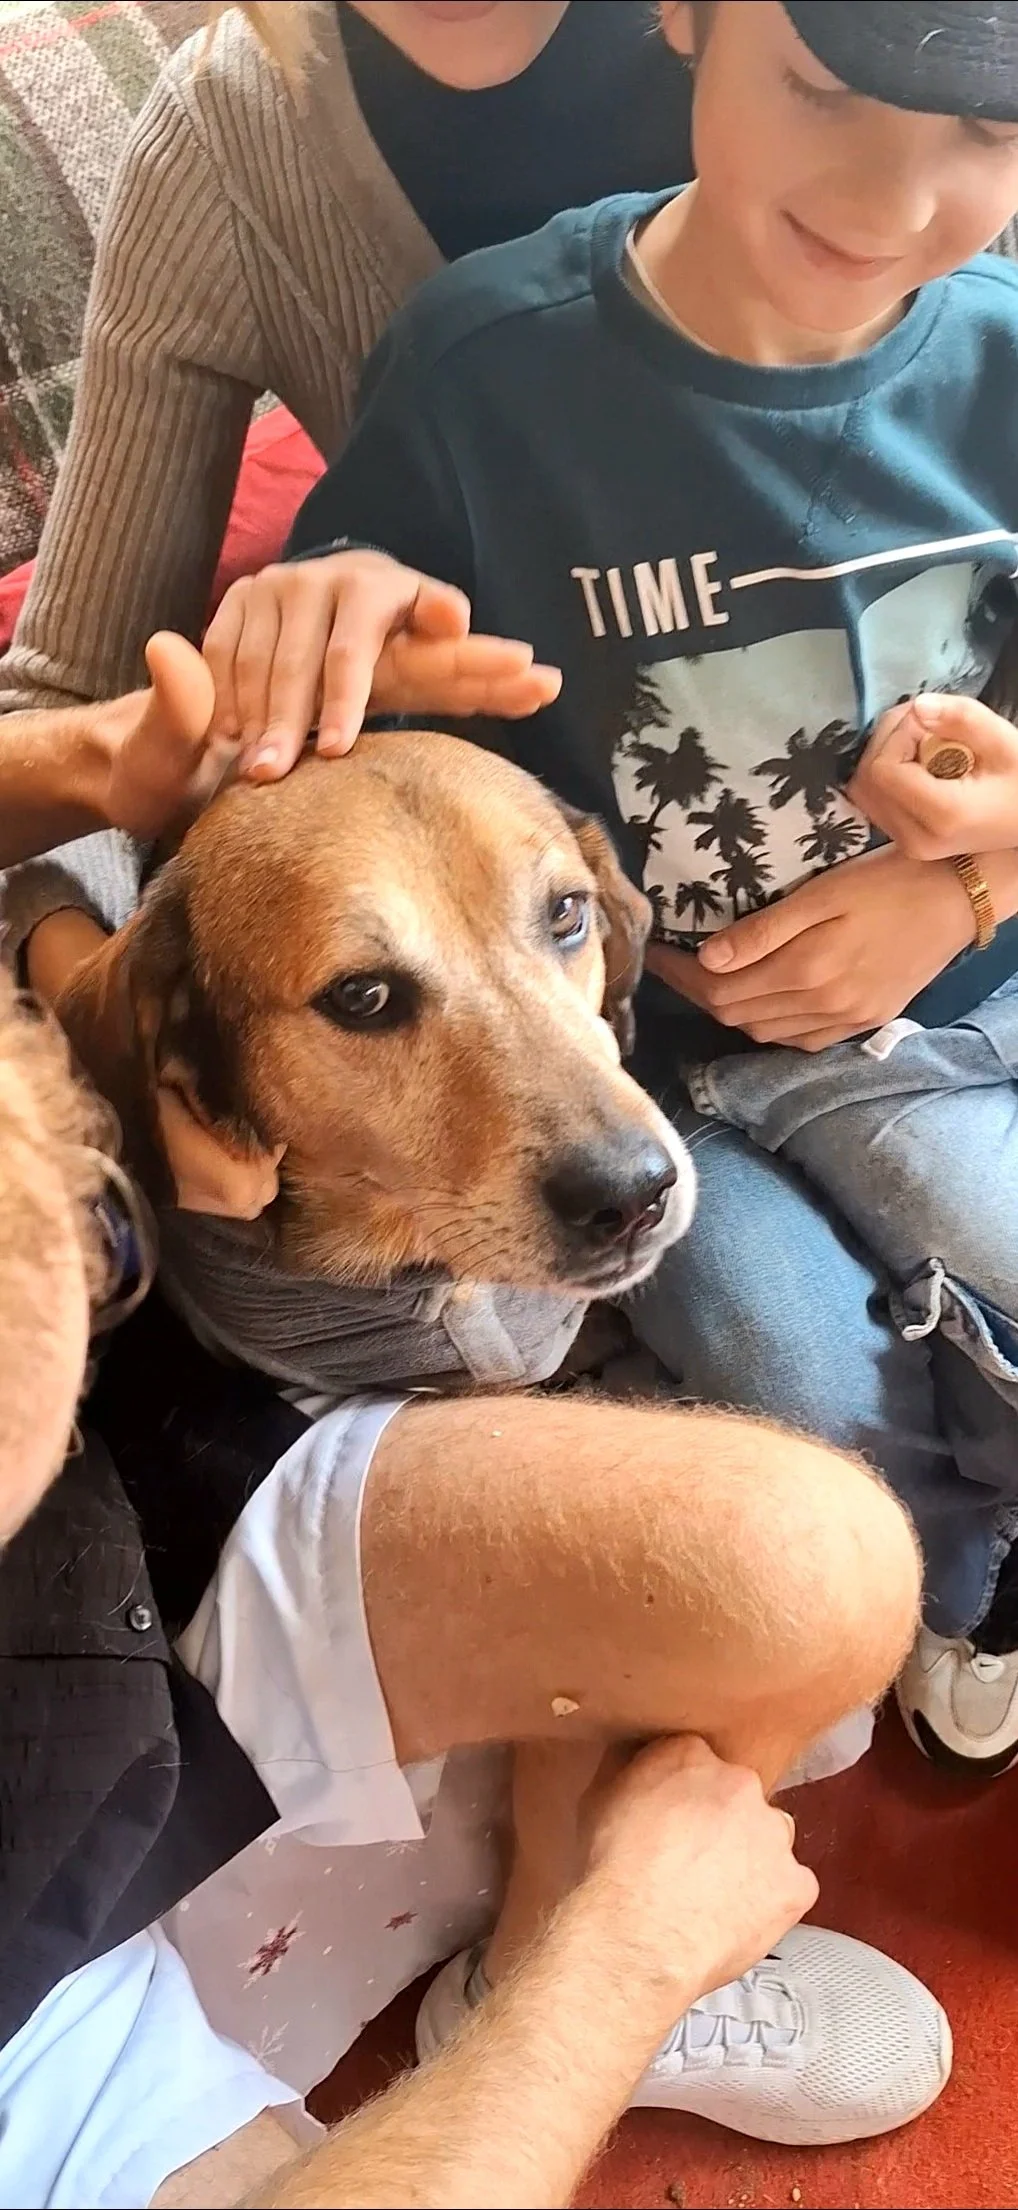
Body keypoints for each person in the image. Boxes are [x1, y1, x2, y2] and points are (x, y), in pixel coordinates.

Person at [0, 645, 949, 2206]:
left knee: (816, 1546)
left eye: (561, 921)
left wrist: (88, 804)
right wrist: (617, 1966)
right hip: (107, 1721)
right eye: (370, 999)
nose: (604, 1136)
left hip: (77, 1560)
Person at [213, 0, 1018, 1780]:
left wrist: (972, 876)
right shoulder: (480, 362)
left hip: (963, 993)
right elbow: (348, 673)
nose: (889, 203)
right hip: (649, 1066)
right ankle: (962, 1577)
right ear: (686, 18)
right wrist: (315, 610)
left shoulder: (1001, 353)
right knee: (790, 1400)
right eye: (823, 90)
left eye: (983, 135)